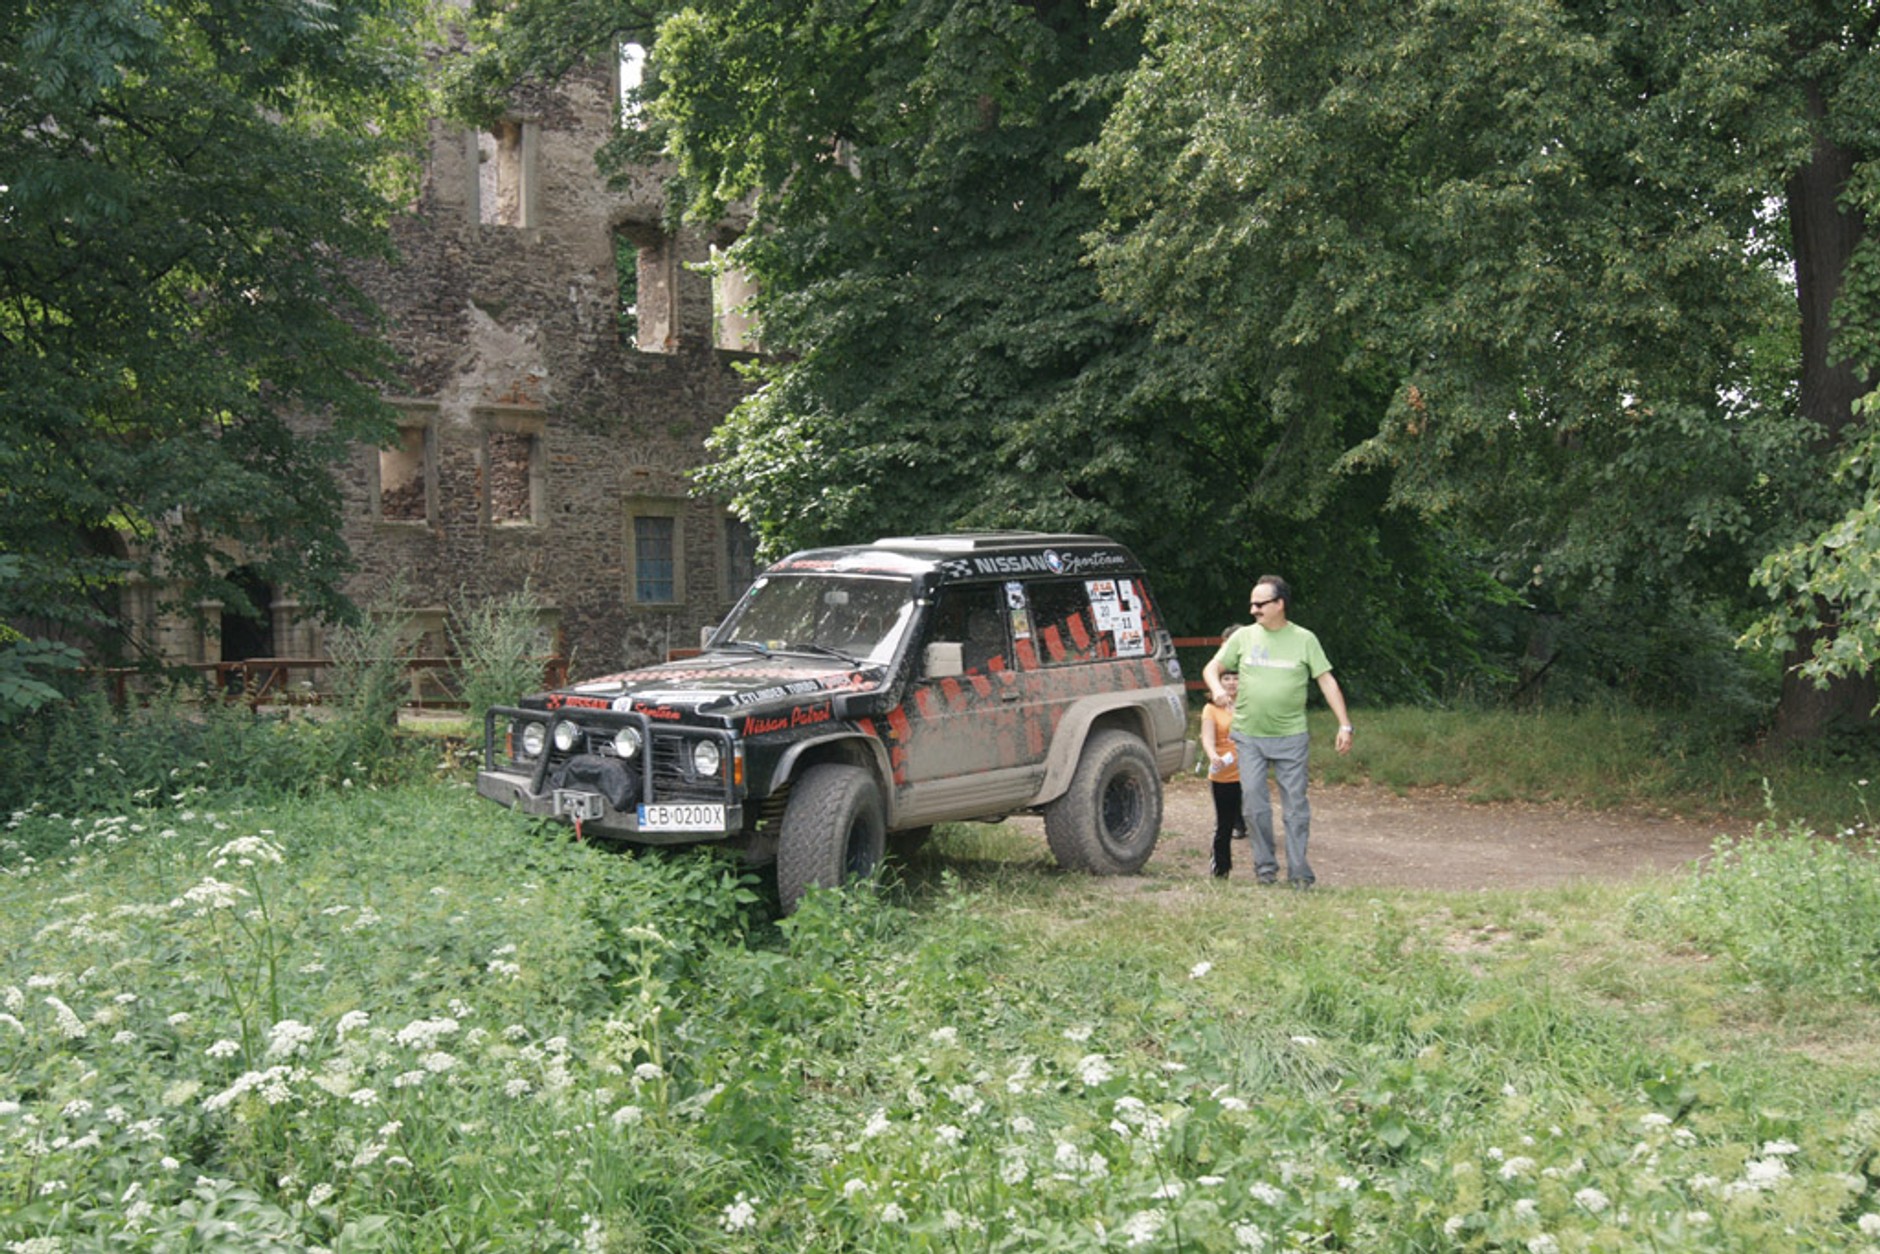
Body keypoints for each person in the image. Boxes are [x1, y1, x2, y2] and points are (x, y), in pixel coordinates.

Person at [1201, 576, 1353, 887]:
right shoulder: (1243, 637)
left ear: (1279, 604)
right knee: (1255, 807)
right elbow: (1211, 668)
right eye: (1252, 604)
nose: (1253, 609)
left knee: (1295, 807)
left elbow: (1326, 681)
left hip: (1292, 737)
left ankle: (1299, 874)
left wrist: (1344, 724)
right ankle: (1265, 871)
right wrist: (1217, 689)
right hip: (1249, 736)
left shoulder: (1304, 639)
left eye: (1260, 604)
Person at [1201, 663, 1249, 878]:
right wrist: (1214, 757)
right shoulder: (1211, 709)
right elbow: (1208, 740)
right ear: (1217, 683)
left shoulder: (1249, 705)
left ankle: (1265, 869)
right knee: (1225, 823)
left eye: (1235, 678)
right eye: (1226, 679)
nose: (1231, 683)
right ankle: (1221, 867)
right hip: (1224, 773)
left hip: (1249, 771)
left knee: (1255, 818)